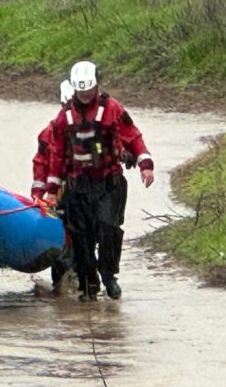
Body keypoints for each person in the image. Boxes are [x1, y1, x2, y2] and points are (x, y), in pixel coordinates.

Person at [43, 61, 154, 301]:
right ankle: (88, 288)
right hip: (78, 187)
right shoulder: (64, 118)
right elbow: (57, 156)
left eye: (88, 90)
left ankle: (109, 275)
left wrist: (145, 165)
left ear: (96, 86)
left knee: (108, 228)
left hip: (108, 184)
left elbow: (133, 136)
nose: (85, 96)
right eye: (80, 91)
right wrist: (51, 191)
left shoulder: (112, 109)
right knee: (80, 239)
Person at [31, 79, 76, 294]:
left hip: (84, 191)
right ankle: (62, 284)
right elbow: (41, 165)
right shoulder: (48, 134)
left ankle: (83, 281)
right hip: (58, 194)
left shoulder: (95, 127)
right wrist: (39, 196)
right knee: (62, 237)